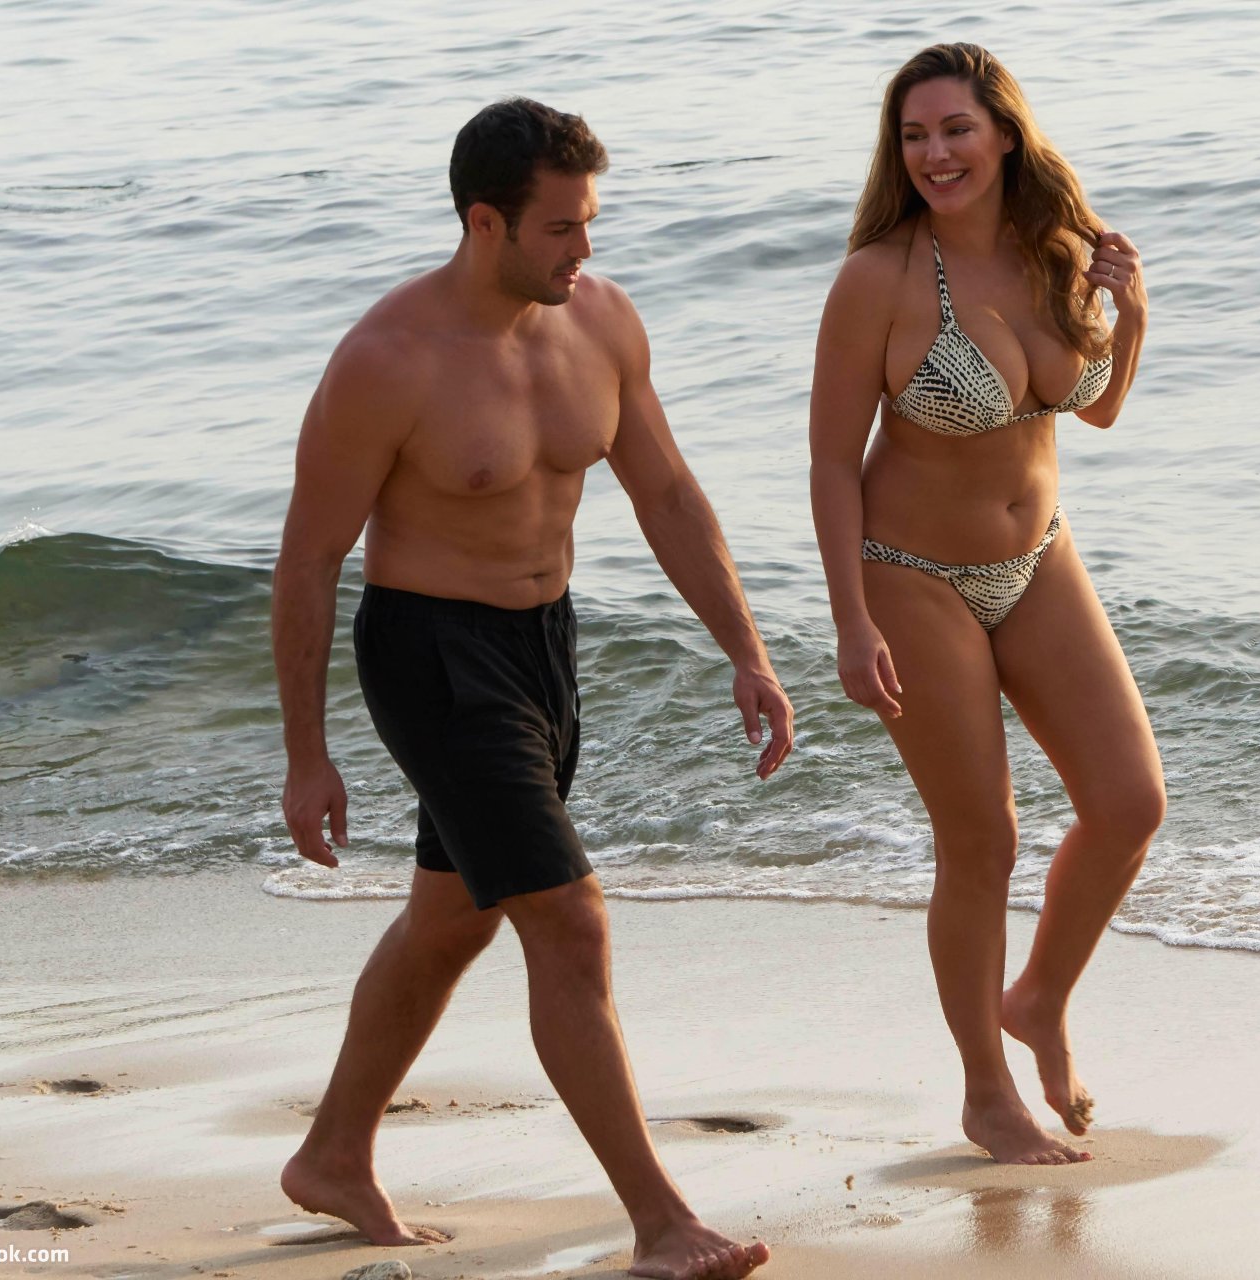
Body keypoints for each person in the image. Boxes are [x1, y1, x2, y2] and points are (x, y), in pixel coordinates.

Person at [271, 97, 788, 1279]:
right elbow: (307, 559)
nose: (583, 249)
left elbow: (665, 492)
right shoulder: (387, 360)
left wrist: (746, 650)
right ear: (483, 223)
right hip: (433, 656)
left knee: (454, 915)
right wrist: (307, 752)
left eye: (589, 222)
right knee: (566, 916)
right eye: (560, 228)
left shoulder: (599, 320)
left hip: (545, 645)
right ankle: (662, 1222)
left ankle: (333, 1153)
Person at [808, 43, 1162, 1167]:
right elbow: (830, 461)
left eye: (955, 129)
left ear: (1003, 132)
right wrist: (849, 619)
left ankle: (1038, 998)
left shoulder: (1058, 247)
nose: (935, 153)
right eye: (914, 136)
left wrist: (1131, 312)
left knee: (1128, 802)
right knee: (981, 842)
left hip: (1037, 558)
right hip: (909, 573)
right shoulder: (878, 277)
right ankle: (985, 1093)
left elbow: (1095, 411)